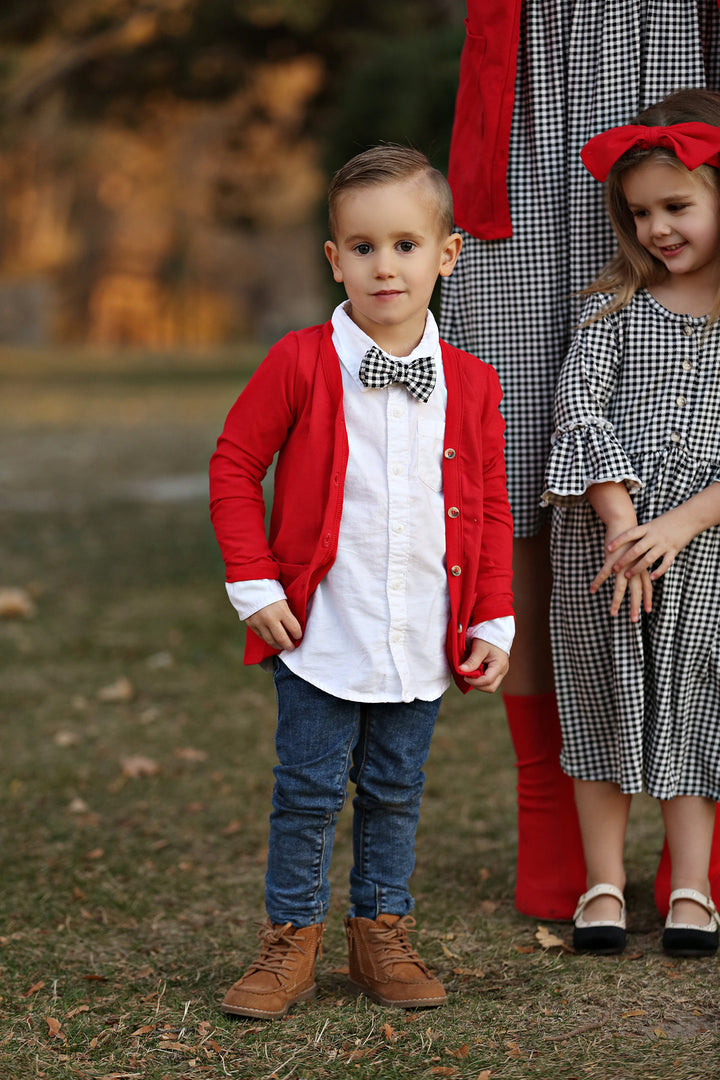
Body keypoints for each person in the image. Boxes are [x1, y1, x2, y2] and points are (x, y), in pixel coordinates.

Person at [208, 145, 515, 1019]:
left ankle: (380, 931)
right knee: (305, 792)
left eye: (407, 245)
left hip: (421, 633)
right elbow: (234, 466)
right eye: (365, 247)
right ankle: (288, 943)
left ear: (446, 254)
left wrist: (493, 618)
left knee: (394, 792)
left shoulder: (473, 384)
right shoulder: (302, 362)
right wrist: (254, 582)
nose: (387, 265)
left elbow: (488, 510)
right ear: (334, 258)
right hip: (320, 635)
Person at [442, 0, 720, 921]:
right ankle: (555, 816)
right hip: (539, 72)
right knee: (519, 440)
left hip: (690, 32)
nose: (654, 226)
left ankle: (701, 845)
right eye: (644, 214)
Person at [542, 88, 720, 956]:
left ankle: (691, 888)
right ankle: (602, 884)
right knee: (602, 700)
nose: (657, 227)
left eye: (677, 206)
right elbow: (579, 409)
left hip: (704, 547)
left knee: (696, 703)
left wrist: (680, 524)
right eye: (641, 212)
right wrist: (620, 519)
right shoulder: (609, 307)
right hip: (606, 549)